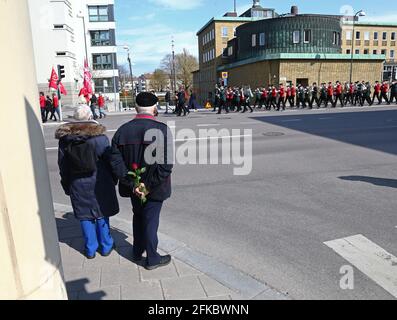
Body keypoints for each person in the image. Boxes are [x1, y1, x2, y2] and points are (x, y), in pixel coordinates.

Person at [109, 92, 173, 270]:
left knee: (138, 217)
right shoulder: (161, 129)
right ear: (154, 108)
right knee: (151, 220)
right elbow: (165, 165)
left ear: (136, 108)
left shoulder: (123, 130)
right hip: (156, 187)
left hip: (133, 188)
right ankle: (152, 258)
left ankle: (137, 251)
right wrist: (148, 185)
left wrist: (134, 184)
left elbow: (115, 162)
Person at [56, 105, 119, 259]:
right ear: (91, 116)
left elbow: (62, 165)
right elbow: (110, 161)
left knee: (84, 215)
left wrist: (66, 184)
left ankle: (90, 248)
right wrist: (114, 179)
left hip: (77, 183)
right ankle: (106, 245)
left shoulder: (65, 140)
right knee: (101, 212)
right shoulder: (100, 138)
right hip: (99, 182)